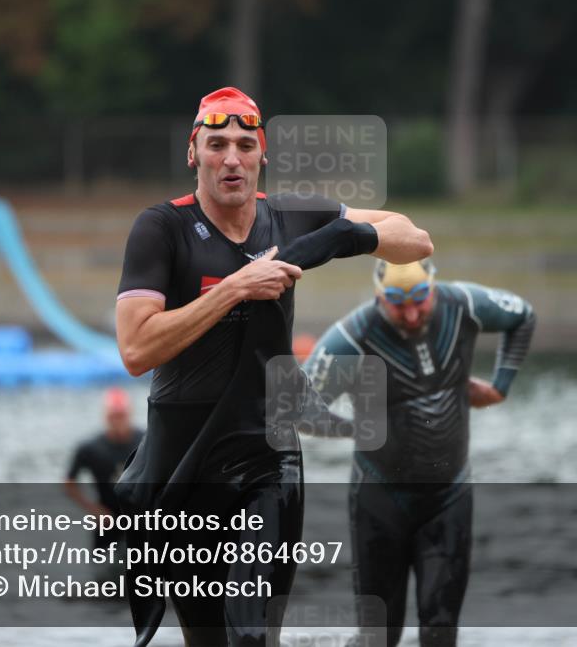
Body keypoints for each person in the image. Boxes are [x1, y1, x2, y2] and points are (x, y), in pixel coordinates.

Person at [113, 86, 433, 647]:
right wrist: (235, 289)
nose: (230, 159)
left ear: (262, 155)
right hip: (184, 461)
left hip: (268, 456)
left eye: (243, 145)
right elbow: (136, 350)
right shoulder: (161, 229)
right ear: (194, 153)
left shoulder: (290, 217)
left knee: (253, 636)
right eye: (216, 145)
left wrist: (338, 237)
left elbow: (415, 239)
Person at [301, 258, 536, 647]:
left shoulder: (464, 304)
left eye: (419, 301)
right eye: (397, 303)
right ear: (379, 298)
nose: (411, 314)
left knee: (440, 630)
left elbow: (523, 316)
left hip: (448, 499)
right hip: (380, 501)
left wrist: (500, 387)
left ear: (432, 287)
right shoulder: (354, 336)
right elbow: (299, 410)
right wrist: (357, 427)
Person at [64, 388, 143, 552]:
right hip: (106, 518)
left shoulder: (144, 441)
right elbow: (69, 483)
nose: (118, 422)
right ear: (105, 417)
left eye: (121, 416)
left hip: (139, 518)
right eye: (113, 417)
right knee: (103, 572)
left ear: (130, 415)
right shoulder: (90, 448)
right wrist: (93, 509)